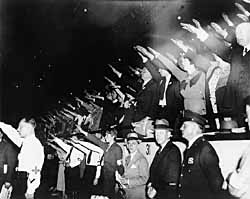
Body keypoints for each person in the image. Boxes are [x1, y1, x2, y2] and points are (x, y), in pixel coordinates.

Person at [178, 110, 226, 199]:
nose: (181, 128)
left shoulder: (205, 149)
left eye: (184, 126)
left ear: (194, 128)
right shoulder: (191, 148)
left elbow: (217, 184)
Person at [0, 118, 44, 199]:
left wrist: (30, 190)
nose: (18, 129)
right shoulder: (26, 141)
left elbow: (36, 169)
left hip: (25, 183)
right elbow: (12, 132)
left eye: (20, 127)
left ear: (29, 128)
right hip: (20, 180)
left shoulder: (35, 145)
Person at [77, 126, 124, 199]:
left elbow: (120, 166)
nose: (105, 137)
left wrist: (120, 176)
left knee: (108, 195)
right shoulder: (106, 146)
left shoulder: (117, 148)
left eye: (107, 135)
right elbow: (96, 140)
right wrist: (83, 132)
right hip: (103, 174)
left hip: (110, 177)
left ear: (112, 136)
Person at [146, 119, 181, 199]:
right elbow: (154, 173)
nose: (158, 136)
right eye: (156, 133)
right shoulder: (160, 150)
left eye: (161, 133)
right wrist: (149, 185)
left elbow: (171, 180)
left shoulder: (173, 151)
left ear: (169, 134)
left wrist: (155, 189)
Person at [119, 132, 149, 199]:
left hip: (137, 194)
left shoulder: (142, 159)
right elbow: (127, 173)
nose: (130, 146)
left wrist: (128, 181)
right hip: (127, 193)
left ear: (138, 144)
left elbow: (144, 179)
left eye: (133, 143)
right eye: (129, 143)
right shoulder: (127, 158)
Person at [0, 130, 17, 197]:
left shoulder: (7, 146)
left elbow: (11, 164)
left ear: (1, 134)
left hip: (1, 178)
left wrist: (8, 180)